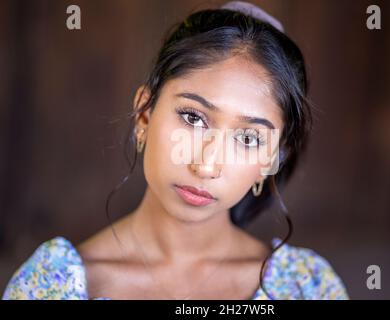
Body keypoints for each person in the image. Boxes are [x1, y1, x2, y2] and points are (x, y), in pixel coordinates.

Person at [2, 1, 349, 300]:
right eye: (193, 117)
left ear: (271, 160)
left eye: (248, 138)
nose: (206, 164)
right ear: (144, 115)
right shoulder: (50, 286)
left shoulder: (308, 287)